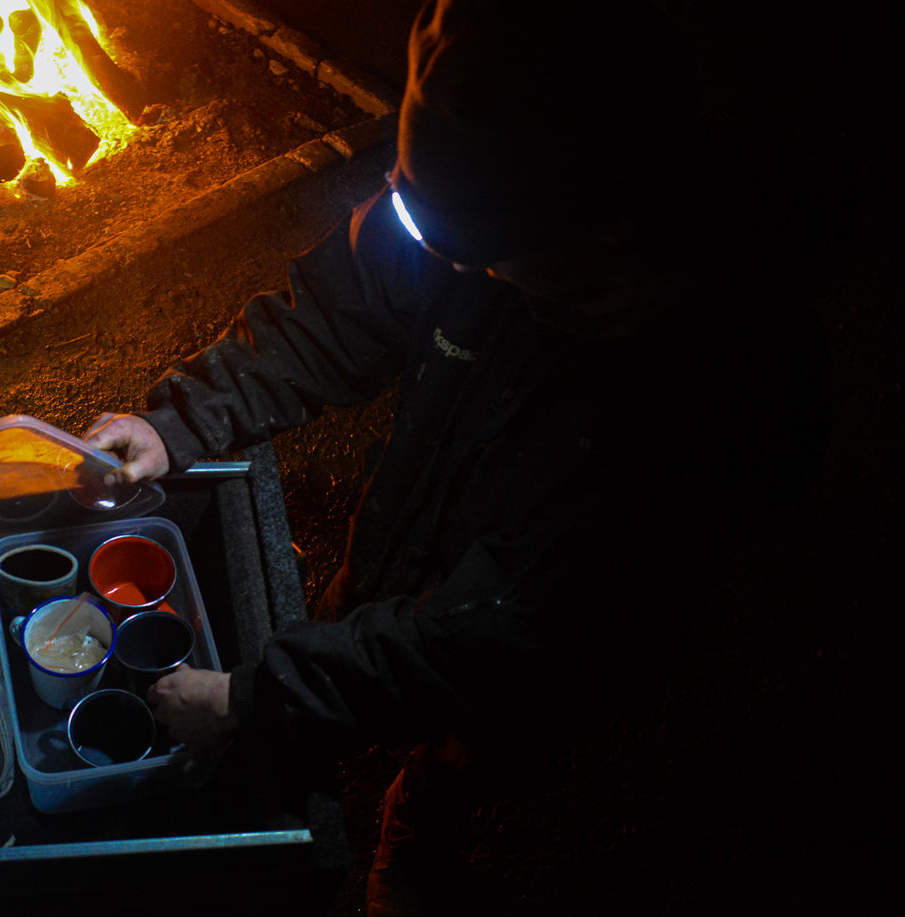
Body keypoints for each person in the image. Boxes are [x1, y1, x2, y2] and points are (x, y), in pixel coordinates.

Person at [85, 0, 849, 911]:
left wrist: (251, 697)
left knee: (486, 731)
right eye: (421, 211)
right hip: (417, 529)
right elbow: (343, 308)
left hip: (544, 643)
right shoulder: (473, 197)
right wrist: (182, 422)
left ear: (606, 236)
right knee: (345, 638)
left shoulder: (712, 401)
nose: (437, 260)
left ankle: (414, 832)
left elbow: (501, 633)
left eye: (473, 251)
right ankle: (307, 740)